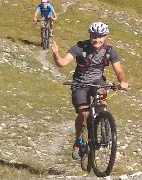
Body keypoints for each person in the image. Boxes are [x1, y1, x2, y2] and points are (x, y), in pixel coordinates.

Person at [50, 21, 129, 161]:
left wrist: (122, 81)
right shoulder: (80, 47)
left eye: (100, 36)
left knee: (102, 95)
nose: (97, 40)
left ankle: (104, 124)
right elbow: (62, 63)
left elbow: (119, 70)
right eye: (94, 36)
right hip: (80, 83)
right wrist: (56, 54)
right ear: (90, 35)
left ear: (105, 37)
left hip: (97, 81)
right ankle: (79, 141)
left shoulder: (110, 50)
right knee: (84, 113)